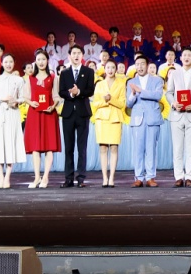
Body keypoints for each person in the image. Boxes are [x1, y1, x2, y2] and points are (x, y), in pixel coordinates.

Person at [167, 48, 191, 187]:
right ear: (180, 57)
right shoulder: (174, 73)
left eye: (189, 55)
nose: (186, 57)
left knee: (190, 148)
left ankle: (189, 177)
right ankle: (178, 177)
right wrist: (173, 103)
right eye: (184, 55)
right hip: (177, 115)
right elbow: (169, 93)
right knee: (177, 148)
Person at [0, 53, 27, 189]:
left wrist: (16, 101)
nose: (8, 64)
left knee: (10, 144)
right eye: (6, 62)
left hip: (12, 114)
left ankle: (8, 177)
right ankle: (0, 177)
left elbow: (23, 97)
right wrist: (1, 99)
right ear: (2, 63)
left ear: (14, 63)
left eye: (11, 62)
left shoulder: (19, 80)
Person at [58, 44, 95, 187]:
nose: (76, 55)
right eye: (73, 53)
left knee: (82, 147)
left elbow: (90, 90)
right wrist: (71, 94)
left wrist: (78, 92)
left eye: (79, 53)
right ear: (69, 56)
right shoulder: (64, 73)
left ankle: (80, 178)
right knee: (68, 147)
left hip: (83, 113)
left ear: (82, 55)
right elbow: (61, 91)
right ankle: (68, 178)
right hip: (68, 113)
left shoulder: (88, 71)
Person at [23, 49, 60, 189]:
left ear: (47, 60)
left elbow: (56, 96)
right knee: (35, 147)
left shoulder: (53, 77)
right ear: (35, 61)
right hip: (34, 114)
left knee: (49, 146)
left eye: (43, 59)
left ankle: (45, 177)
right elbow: (25, 96)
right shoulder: (30, 78)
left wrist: (53, 106)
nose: (41, 62)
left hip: (49, 114)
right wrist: (31, 102)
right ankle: (37, 177)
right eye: (38, 59)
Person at [127, 55, 164, 187]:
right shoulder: (131, 82)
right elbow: (128, 103)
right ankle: (138, 177)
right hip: (138, 119)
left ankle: (150, 177)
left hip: (152, 118)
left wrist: (141, 91)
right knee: (138, 149)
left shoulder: (157, 80)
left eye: (142, 64)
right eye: (137, 64)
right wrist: (133, 94)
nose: (140, 67)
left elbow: (158, 95)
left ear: (147, 65)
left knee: (151, 149)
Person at [92, 58, 125, 187]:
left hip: (115, 118)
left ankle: (112, 178)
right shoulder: (99, 84)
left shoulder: (121, 84)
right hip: (102, 118)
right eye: (108, 67)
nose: (110, 70)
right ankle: (104, 178)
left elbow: (122, 104)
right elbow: (95, 103)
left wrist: (111, 99)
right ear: (104, 69)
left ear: (116, 69)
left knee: (114, 148)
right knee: (103, 148)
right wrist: (105, 101)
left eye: (113, 67)